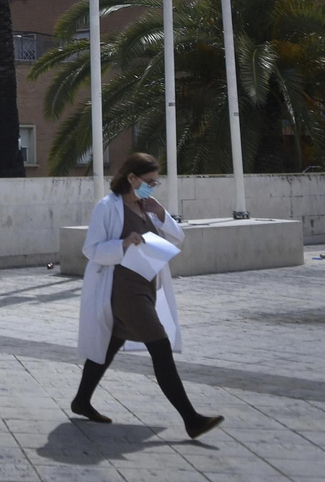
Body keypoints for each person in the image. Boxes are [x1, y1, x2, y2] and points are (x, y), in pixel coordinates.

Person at [72, 152, 224, 439]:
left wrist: (161, 213)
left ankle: (81, 400)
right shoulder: (108, 207)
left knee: (110, 344)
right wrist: (122, 244)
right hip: (123, 290)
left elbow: (178, 237)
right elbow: (91, 249)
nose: (153, 187)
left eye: (156, 182)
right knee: (160, 346)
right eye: (149, 181)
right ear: (131, 178)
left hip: (147, 288)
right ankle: (191, 419)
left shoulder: (147, 207)